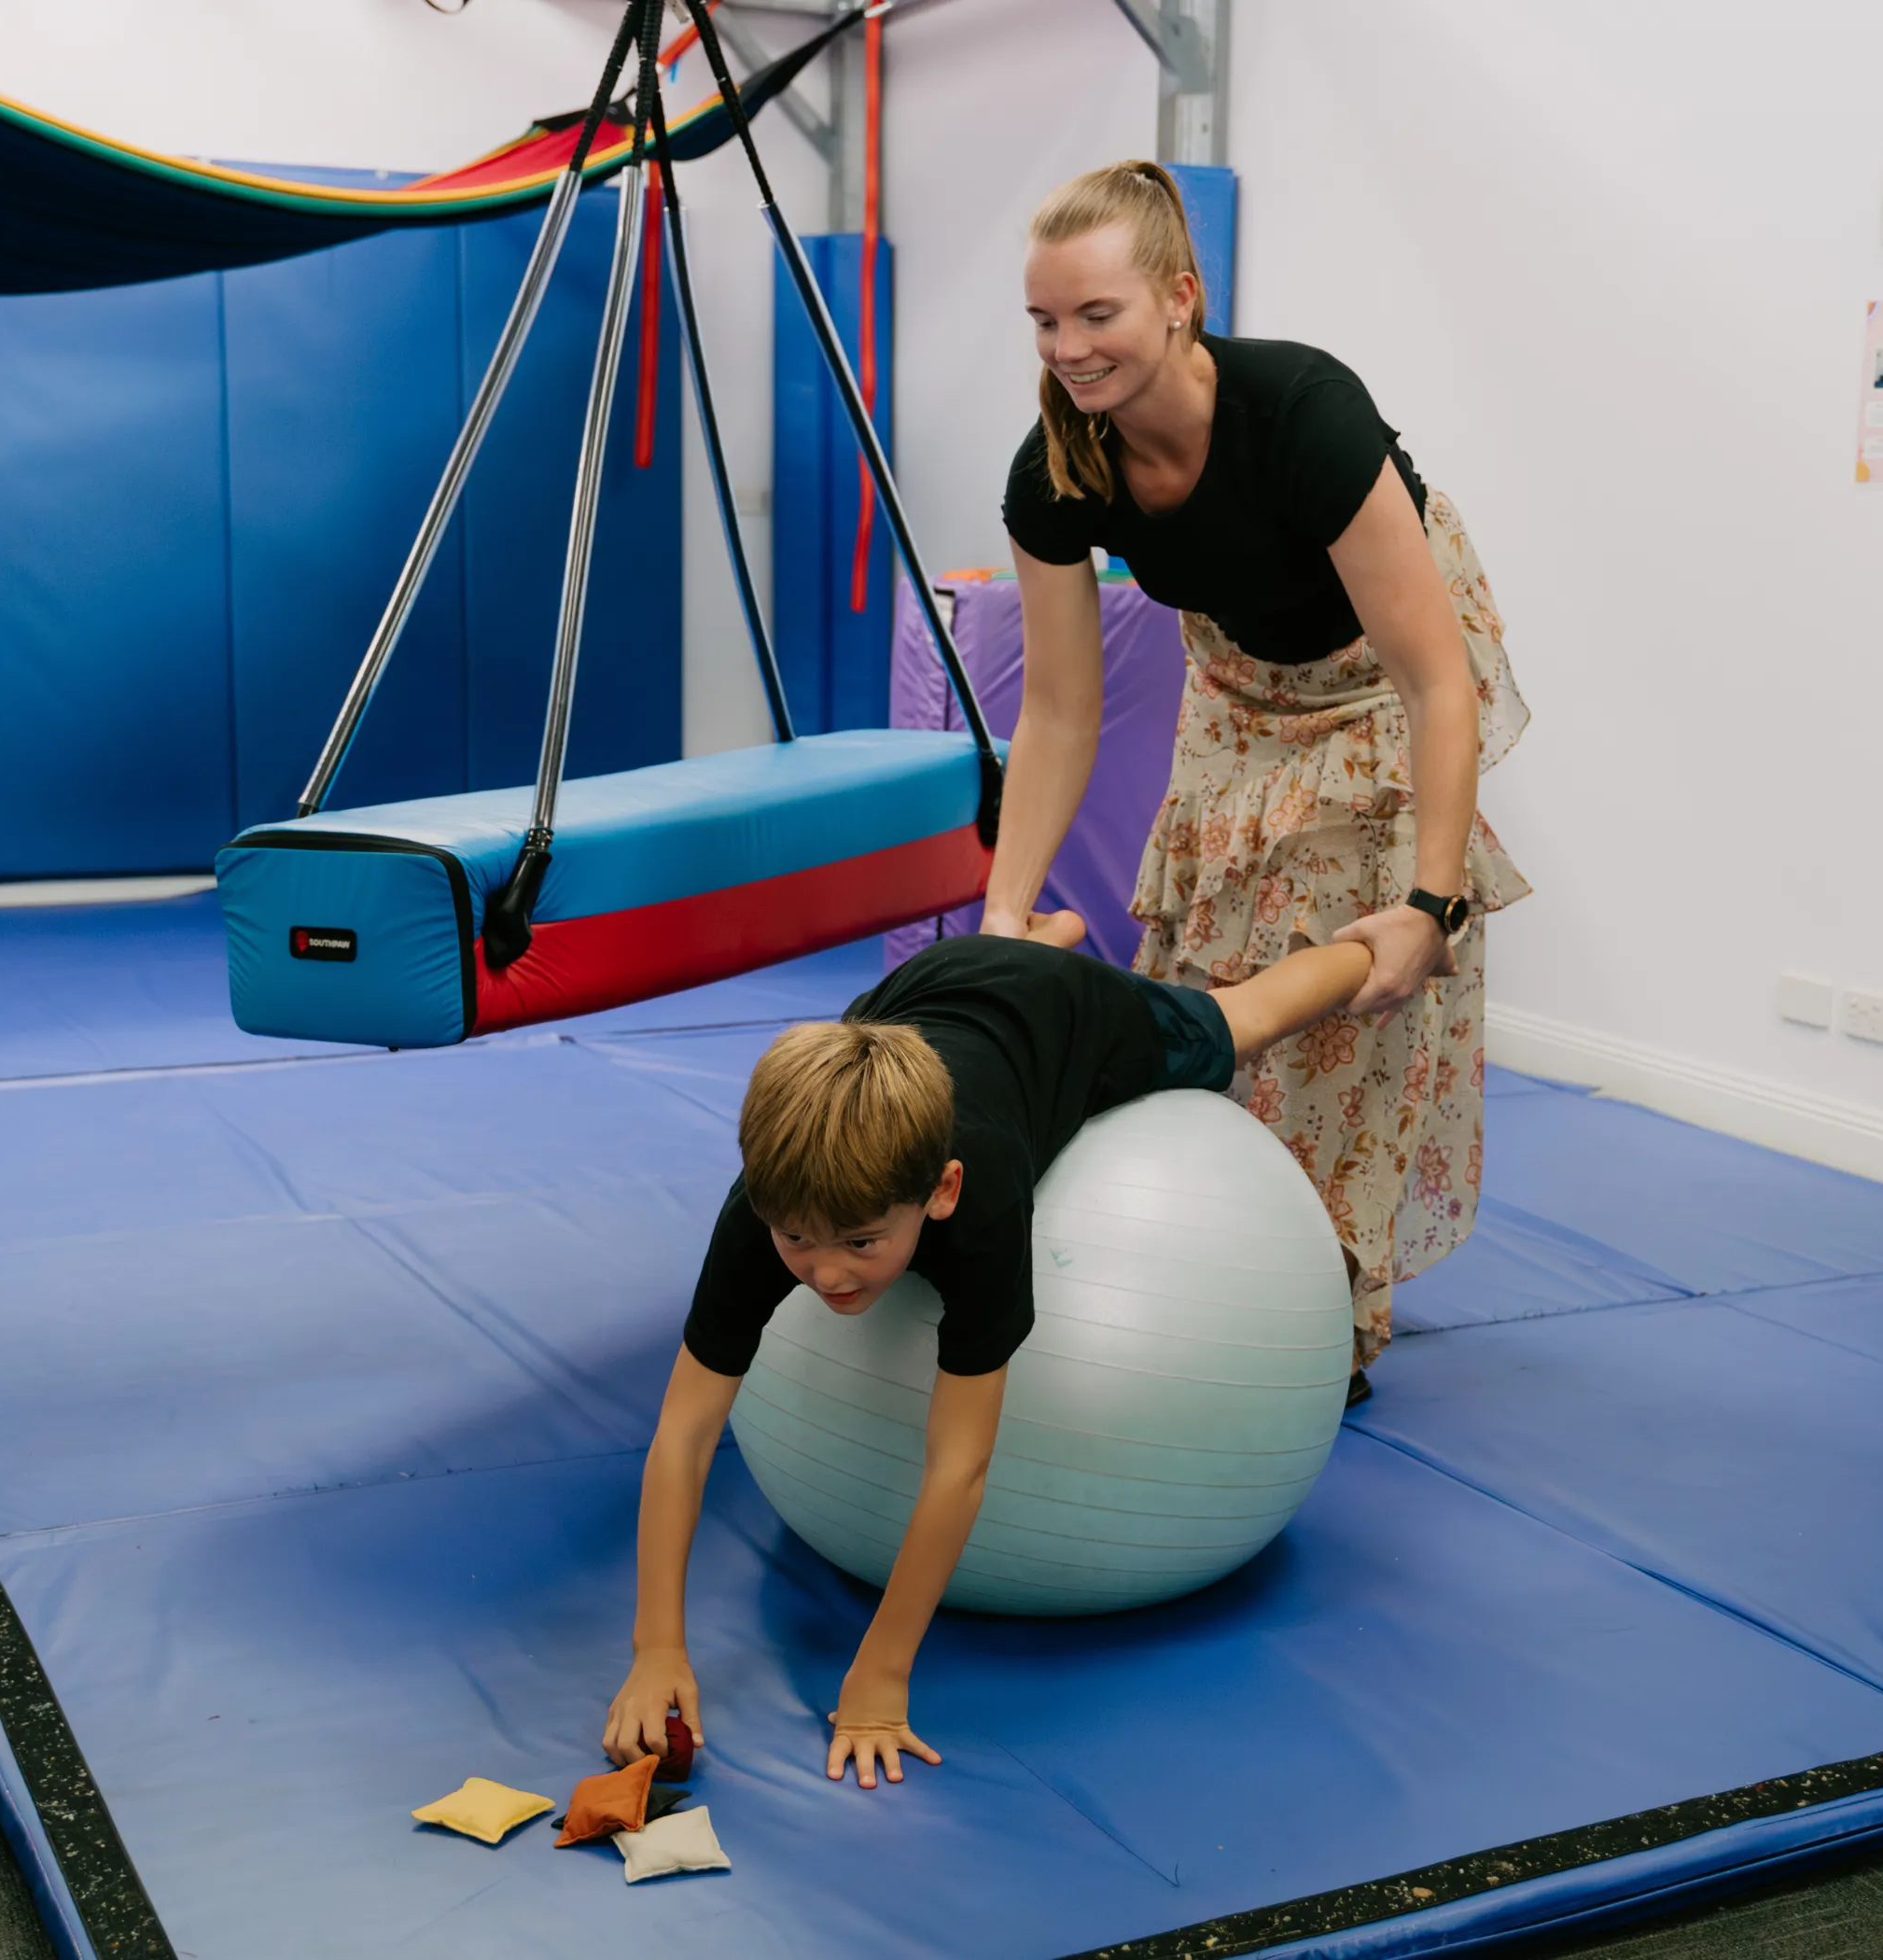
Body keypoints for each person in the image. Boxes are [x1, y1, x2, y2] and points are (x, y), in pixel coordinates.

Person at [601, 920, 1377, 1791]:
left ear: (941, 1191)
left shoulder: (983, 1212)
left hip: (1065, 1014)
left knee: (1244, 1021)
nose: (824, 1274)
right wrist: (656, 1645)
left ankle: (1388, 941)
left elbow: (960, 1466)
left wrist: (882, 1674)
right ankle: (1037, 931)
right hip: (930, 994)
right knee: (812, 1206)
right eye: (798, 1241)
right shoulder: (768, 1206)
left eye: (861, 1242)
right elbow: (684, 1432)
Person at [991, 161, 1532, 1397]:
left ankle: (1322, 1310)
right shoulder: (1056, 471)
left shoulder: (1301, 411)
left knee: (1342, 988)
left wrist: (1431, 908)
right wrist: (1005, 911)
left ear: (1180, 298)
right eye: (1044, 320)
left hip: (1383, 667)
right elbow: (1061, 709)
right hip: (1240, 677)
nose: (1069, 348)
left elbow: (1436, 682)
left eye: (1098, 314)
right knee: (1198, 977)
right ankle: (1203, 1255)